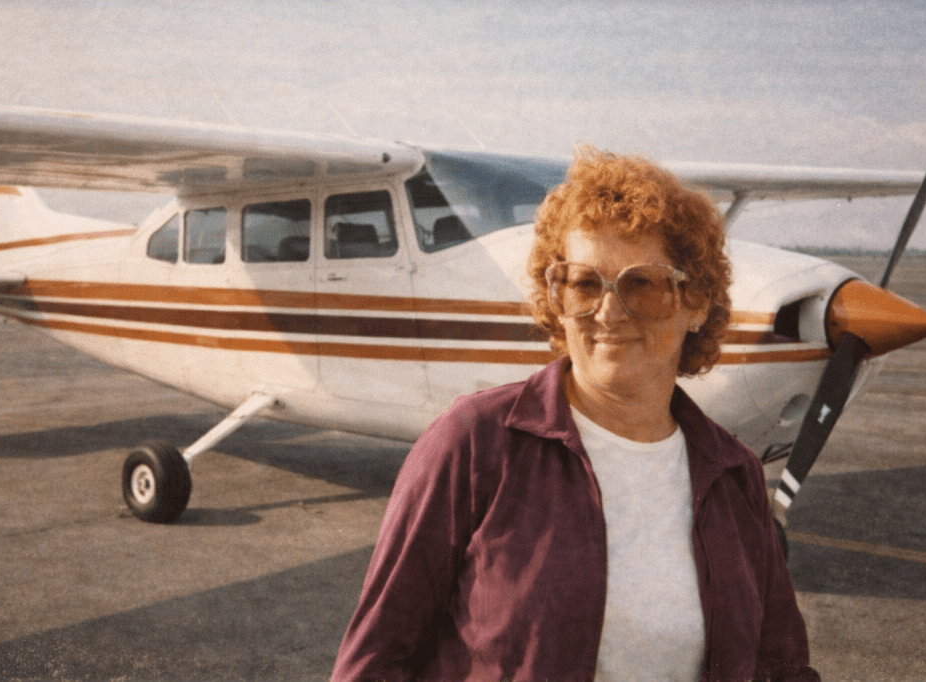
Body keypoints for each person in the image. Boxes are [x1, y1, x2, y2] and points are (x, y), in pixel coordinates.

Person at [331, 147, 820, 682]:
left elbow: (782, 667)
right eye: (584, 284)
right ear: (556, 296)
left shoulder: (735, 475)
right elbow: (373, 662)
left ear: (697, 303)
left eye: (642, 283)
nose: (608, 312)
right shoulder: (474, 444)